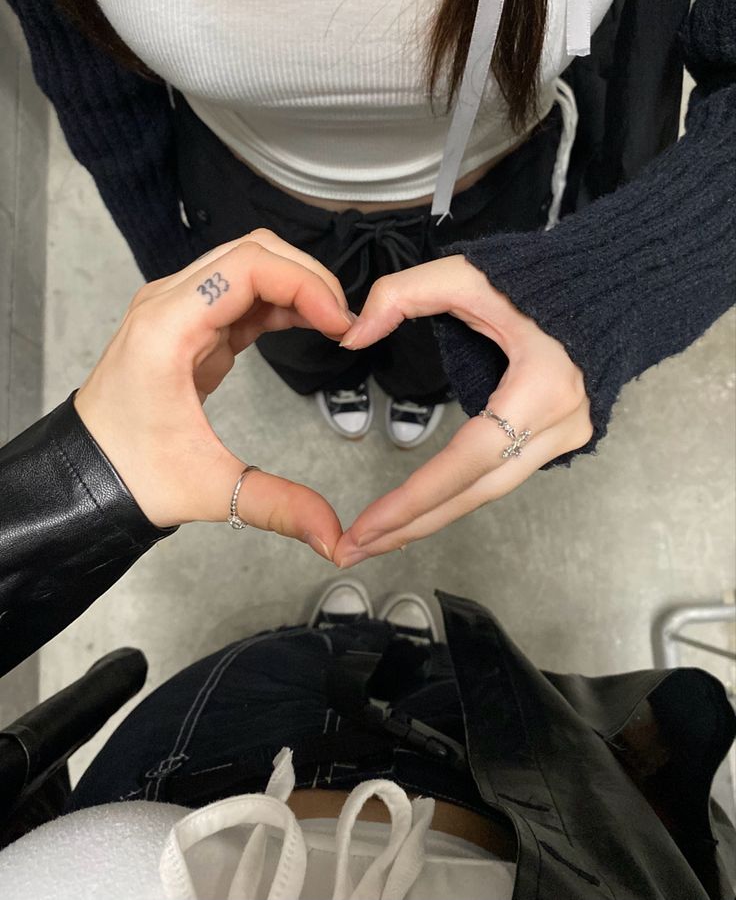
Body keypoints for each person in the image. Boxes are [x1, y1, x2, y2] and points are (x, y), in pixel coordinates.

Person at [1, 242, 734, 899]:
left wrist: (79, 481)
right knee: (431, 673)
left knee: (302, 657)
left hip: (190, 763)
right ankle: (386, 647)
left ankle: (345, 639)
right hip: (524, 803)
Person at [0, 0, 734, 459]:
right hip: (250, 198)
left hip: (495, 197)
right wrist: (170, 262)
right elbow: (90, 83)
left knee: (437, 361)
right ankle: (337, 376)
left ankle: (418, 388)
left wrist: (630, 279)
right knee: (305, 350)